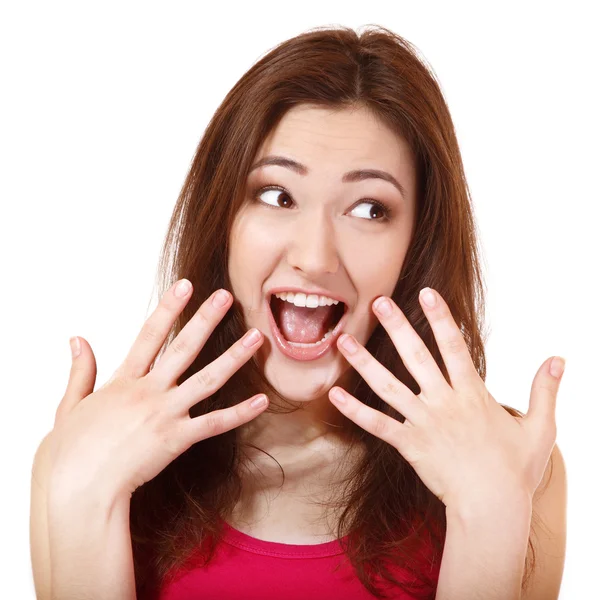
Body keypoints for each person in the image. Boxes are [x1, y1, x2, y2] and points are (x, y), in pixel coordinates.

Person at [30, 25, 567, 600]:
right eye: (277, 196)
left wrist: (489, 515)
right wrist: (84, 496)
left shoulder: (515, 464)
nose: (314, 258)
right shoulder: (82, 457)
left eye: (369, 208)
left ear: (417, 246)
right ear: (223, 225)